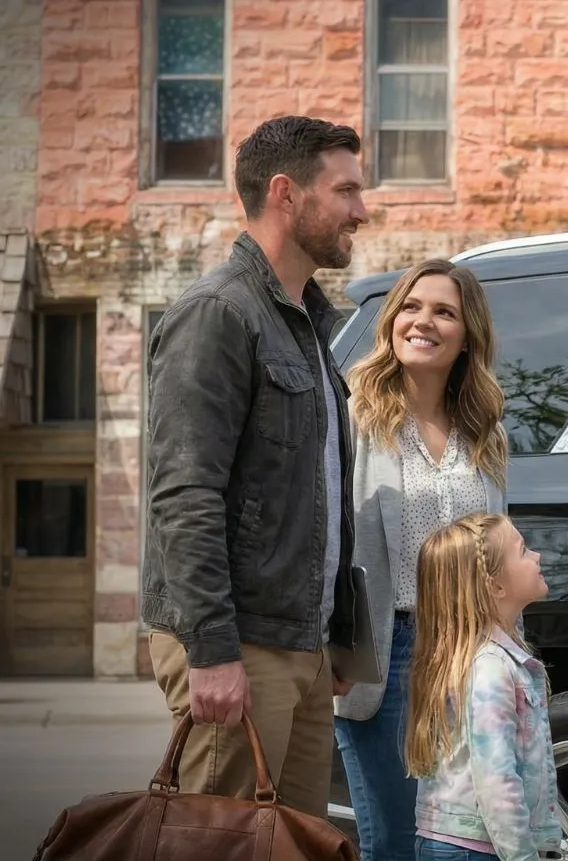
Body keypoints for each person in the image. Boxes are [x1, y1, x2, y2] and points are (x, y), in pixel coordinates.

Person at [144, 115, 370, 817]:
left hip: (297, 645)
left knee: (293, 842)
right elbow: (185, 493)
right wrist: (211, 650)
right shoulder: (218, 314)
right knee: (223, 840)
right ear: (286, 194)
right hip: (236, 642)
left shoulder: (309, 326)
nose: (362, 212)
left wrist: (329, 636)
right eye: (347, 191)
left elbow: (316, 496)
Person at [335, 259, 510, 860]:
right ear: (391, 321)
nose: (423, 321)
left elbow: (500, 551)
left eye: (444, 312)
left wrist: (513, 653)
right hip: (392, 648)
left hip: (473, 652)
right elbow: (329, 538)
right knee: (393, 839)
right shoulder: (355, 414)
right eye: (412, 306)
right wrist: (332, 647)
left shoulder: (484, 428)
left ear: (468, 334)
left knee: (467, 840)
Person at [403, 513, 560, 861]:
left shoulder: (481, 659)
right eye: (523, 551)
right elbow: (496, 781)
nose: (537, 556)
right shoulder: (490, 668)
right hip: (474, 850)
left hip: (462, 842)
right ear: (495, 587)